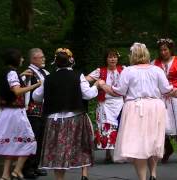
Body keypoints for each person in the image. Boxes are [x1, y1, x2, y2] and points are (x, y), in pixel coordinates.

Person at [98, 42, 177, 180]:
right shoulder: (157, 70)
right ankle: (153, 173)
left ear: (132, 55)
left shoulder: (128, 71)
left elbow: (119, 91)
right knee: (153, 142)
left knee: (137, 145)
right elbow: (166, 89)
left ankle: (142, 178)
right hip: (155, 107)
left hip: (135, 108)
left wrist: (103, 85)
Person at [32, 48, 99, 180]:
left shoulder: (48, 78)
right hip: (74, 118)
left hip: (54, 120)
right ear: (71, 61)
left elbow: (36, 97)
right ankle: (83, 174)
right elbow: (88, 94)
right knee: (80, 146)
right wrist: (96, 85)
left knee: (57, 151)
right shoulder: (78, 75)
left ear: (55, 62)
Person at [0, 48, 41, 180]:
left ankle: (5, 175)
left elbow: (10, 83)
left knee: (11, 143)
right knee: (30, 141)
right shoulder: (12, 73)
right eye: (21, 58)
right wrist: (36, 85)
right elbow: (17, 91)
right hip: (15, 113)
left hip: (6, 112)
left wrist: (21, 74)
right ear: (15, 59)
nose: (23, 59)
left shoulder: (7, 72)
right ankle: (16, 170)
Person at [85, 49, 124, 163]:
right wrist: (77, 78)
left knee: (119, 127)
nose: (113, 59)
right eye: (110, 57)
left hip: (120, 102)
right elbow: (87, 79)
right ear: (106, 59)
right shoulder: (100, 71)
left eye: (115, 57)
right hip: (105, 103)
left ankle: (118, 153)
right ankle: (108, 153)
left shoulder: (124, 70)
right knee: (106, 127)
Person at [22, 48, 49, 178]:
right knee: (32, 139)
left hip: (43, 110)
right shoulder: (28, 73)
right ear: (33, 59)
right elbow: (23, 90)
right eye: (41, 57)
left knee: (40, 139)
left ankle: (35, 165)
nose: (44, 59)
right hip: (32, 110)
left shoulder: (43, 72)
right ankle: (27, 168)